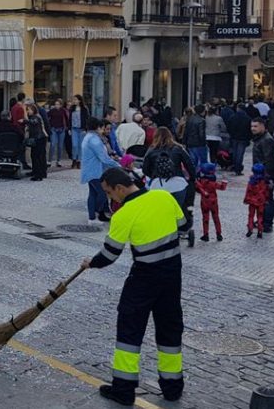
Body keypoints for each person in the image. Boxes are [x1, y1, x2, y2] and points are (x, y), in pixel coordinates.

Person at [81, 168, 189, 406]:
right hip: (172, 277)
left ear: (119, 188)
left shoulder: (124, 215)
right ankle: (172, 387)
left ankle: (124, 390)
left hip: (143, 279)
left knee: (129, 332)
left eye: (109, 193)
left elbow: (109, 255)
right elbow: (183, 225)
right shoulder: (164, 196)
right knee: (170, 329)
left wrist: (91, 263)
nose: (110, 198)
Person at [82, 117, 121, 222]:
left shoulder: (89, 137)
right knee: (102, 193)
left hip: (91, 169)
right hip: (95, 171)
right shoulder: (94, 140)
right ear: (97, 128)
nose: (103, 130)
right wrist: (117, 165)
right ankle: (96, 212)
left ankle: (92, 218)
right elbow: (103, 157)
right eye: (102, 128)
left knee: (93, 193)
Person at [251, 118, 274, 234]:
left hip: (264, 175)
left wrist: (266, 177)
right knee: (262, 199)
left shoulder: (266, 140)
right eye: (252, 126)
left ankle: (267, 223)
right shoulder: (260, 138)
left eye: (255, 126)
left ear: (262, 126)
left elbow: (269, 160)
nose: (253, 128)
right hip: (260, 174)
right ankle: (262, 220)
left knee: (267, 199)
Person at [195, 162, 226, 242]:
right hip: (213, 202)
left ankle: (206, 235)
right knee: (216, 217)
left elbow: (198, 189)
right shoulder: (213, 182)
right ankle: (219, 234)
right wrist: (224, 182)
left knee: (205, 218)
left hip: (204, 202)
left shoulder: (201, 181)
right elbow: (222, 187)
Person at [243, 164, 271, 238]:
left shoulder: (251, 181)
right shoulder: (264, 181)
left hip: (252, 201)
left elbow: (248, 191)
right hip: (261, 201)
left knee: (251, 215)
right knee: (260, 216)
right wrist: (266, 199)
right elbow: (266, 192)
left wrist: (246, 199)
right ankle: (260, 231)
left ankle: (250, 229)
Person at [25, 103, 49, 181]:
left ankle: (39, 175)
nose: (28, 111)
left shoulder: (36, 117)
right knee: (35, 155)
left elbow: (33, 122)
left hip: (39, 138)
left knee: (37, 156)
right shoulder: (35, 116)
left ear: (33, 110)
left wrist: (25, 120)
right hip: (39, 138)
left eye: (28, 110)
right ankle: (37, 172)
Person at [228, 103, 252, 176]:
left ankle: (235, 166)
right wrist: (249, 138)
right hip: (243, 138)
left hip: (234, 137)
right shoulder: (248, 118)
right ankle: (238, 169)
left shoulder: (232, 117)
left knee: (235, 153)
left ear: (238, 108)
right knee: (240, 154)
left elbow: (229, 127)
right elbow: (250, 130)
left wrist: (231, 134)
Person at [69, 95, 90, 169]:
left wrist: (85, 129)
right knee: (74, 145)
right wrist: (69, 129)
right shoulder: (72, 108)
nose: (74, 101)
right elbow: (69, 119)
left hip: (81, 129)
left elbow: (87, 119)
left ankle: (79, 161)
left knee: (80, 146)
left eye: (76, 99)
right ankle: (74, 159)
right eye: (74, 99)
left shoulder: (84, 109)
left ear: (79, 100)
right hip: (74, 129)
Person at [47, 98, 70, 167]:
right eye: (55, 104)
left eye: (58, 104)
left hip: (61, 130)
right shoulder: (52, 111)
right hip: (54, 129)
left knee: (60, 146)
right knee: (53, 145)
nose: (56, 106)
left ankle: (58, 161)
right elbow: (47, 117)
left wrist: (67, 128)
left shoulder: (63, 111)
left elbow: (67, 119)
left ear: (61, 105)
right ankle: (49, 160)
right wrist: (49, 127)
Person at [11, 93, 29, 170]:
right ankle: (23, 163)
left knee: (16, 147)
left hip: (14, 130)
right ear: (23, 99)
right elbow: (22, 120)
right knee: (22, 148)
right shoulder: (21, 108)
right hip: (20, 130)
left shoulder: (13, 107)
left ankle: (15, 162)